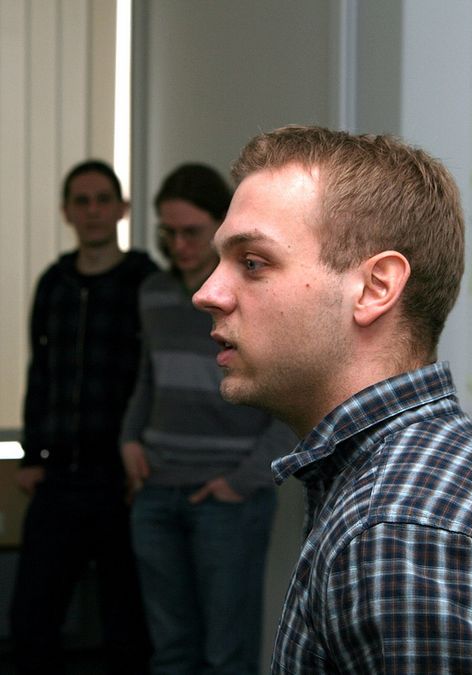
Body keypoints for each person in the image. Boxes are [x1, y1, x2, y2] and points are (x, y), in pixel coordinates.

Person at [192, 125, 472, 673]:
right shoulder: (447, 476)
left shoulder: (403, 530)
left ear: (376, 287)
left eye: (253, 262)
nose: (207, 293)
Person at [120, 163, 293, 675]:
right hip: (156, 489)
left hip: (225, 498)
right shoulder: (153, 292)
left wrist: (242, 481)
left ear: (221, 227)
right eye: (168, 233)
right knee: (171, 652)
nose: (178, 245)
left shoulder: (254, 295)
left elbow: (287, 396)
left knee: (226, 656)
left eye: (191, 232)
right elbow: (149, 376)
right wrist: (129, 439)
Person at [11, 160, 156, 674]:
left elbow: (155, 378)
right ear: (66, 212)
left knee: (127, 622)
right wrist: (32, 455)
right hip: (58, 476)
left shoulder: (146, 282)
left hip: (123, 479)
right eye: (81, 201)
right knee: (31, 619)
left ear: (122, 209)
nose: (92, 211)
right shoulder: (54, 283)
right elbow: (40, 373)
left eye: (102, 200)